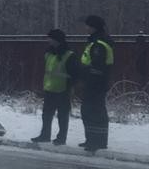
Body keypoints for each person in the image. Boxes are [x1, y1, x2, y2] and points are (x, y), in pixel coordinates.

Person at [75, 14, 114, 153]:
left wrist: (83, 72)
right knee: (93, 111)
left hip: (95, 83)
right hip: (96, 82)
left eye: (87, 25)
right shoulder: (97, 41)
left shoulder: (99, 44)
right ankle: (93, 140)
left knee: (92, 111)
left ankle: (96, 141)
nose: (86, 28)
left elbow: (97, 67)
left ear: (93, 27)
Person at [31, 29, 73, 144]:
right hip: (50, 88)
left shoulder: (68, 55)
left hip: (63, 89)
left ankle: (61, 138)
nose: (48, 40)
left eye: (50, 38)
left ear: (56, 40)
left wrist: (70, 86)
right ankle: (45, 135)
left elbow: (73, 73)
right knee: (47, 114)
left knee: (62, 115)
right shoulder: (49, 53)